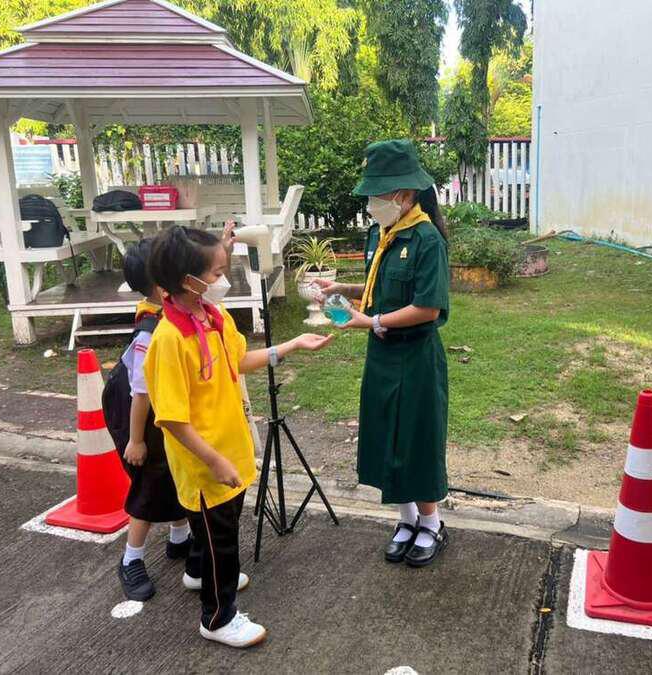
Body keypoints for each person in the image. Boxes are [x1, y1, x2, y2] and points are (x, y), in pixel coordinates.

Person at [144, 226, 333, 648]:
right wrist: (214, 461)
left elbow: (239, 360)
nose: (222, 280)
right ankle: (218, 617)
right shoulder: (169, 340)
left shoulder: (214, 317)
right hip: (205, 463)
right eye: (215, 273)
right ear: (187, 281)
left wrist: (292, 345)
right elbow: (172, 419)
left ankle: (198, 572)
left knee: (214, 533)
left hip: (230, 449)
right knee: (222, 542)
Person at [316, 139, 451, 567]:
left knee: (415, 439)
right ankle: (406, 519)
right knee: (386, 436)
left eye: (378, 194)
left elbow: (427, 307)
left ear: (404, 193)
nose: (372, 202)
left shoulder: (427, 239)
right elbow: (380, 287)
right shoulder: (380, 233)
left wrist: (370, 321)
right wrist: (344, 289)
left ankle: (431, 523)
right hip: (383, 356)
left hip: (416, 356)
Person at [105, 238, 192, 602]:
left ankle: (180, 538)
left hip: (162, 407)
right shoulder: (149, 332)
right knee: (150, 483)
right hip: (135, 411)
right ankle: (131, 559)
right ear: (161, 284)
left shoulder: (168, 310)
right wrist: (136, 440)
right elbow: (139, 393)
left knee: (175, 471)